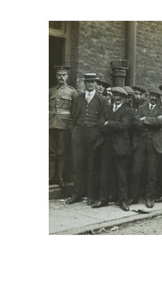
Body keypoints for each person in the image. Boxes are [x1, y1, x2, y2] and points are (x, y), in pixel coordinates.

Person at [66, 73, 107, 205]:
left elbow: (103, 118)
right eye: (87, 82)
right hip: (78, 134)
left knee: (92, 166)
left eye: (92, 82)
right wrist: (73, 131)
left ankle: (91, 196)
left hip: (93, 135)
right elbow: (72, 116)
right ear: (84, 83)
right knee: (77, 165)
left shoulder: (101, 99)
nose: (90, 84)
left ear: (95, 83)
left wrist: (98, 132)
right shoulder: (78, 98)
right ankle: (76, 194)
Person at [92, 87, 132, 211]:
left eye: (120, 96)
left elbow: (124, 126)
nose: (117, 97)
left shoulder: (128, 111)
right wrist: (111, 124)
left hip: (121, 147)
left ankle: (123, 201)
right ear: (113, 96)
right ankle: (103, 199)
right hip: (106, 146)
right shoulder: (107, 109)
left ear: (124, 98)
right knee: (104, 173)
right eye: (115, 95)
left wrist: (108, 123)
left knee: (121, 175)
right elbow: (99, 125)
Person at [130, 88, 162, 207]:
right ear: (149, 96)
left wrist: (145, 119)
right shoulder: (141, 108)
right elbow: (136, 123)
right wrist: (152, 122)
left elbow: (160, 122)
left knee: (152, 172)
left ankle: (149, 197)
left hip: (154, 143)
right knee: (136, 170)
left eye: (156, 96)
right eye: (152, 95)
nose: (154, 98)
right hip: (140, 142)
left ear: (159, 97)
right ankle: (134, 197)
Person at [49, 66, 77, 187]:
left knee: (62, 151)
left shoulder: (72, 92)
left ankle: (60, 177)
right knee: (50, 151)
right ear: (56, 76)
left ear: (67, 77)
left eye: (63, 75)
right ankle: (50, 176)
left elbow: (75, 110)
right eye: (59, 75)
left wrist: (71, 125)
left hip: (64, 126)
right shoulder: (50, 91)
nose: (61, 77)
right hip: (50, 124)